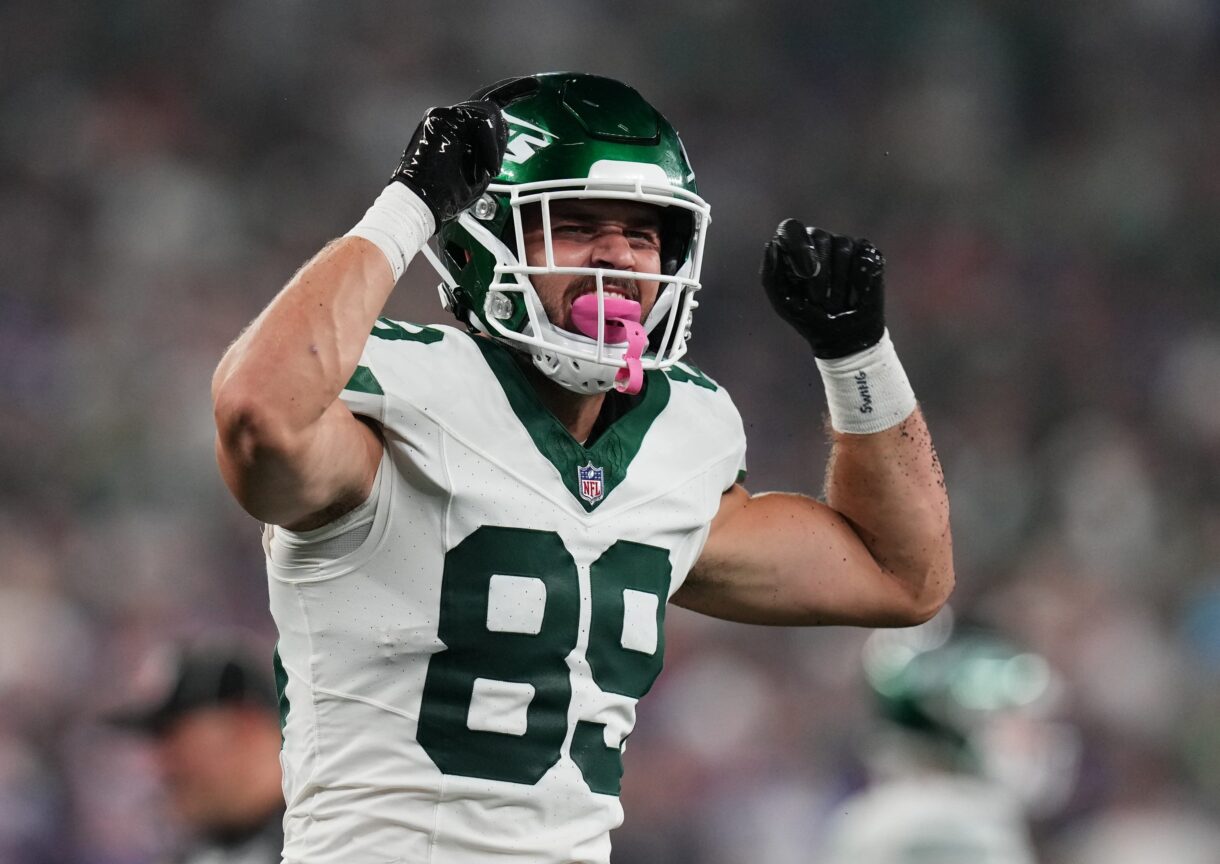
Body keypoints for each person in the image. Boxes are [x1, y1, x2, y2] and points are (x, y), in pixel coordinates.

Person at [211, 72, 954, 863]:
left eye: (644, 233)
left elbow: (902, 577)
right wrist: (406, 208)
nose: (617, 256)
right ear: (481, 240)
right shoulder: (396, 394)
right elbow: (260, 414)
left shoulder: (682, 435)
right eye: (573, 226)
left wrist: (858, 358)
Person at [820, 609, 1080, 864]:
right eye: (1019, 719)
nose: (1040, 739)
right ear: (965, 725)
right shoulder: (948, 827)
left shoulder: (905, 816)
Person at [106, 638, 285, 864]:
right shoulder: (197, 853)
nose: (161, 767)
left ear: (245, 725)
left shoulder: (323, 837)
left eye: (172, 738)